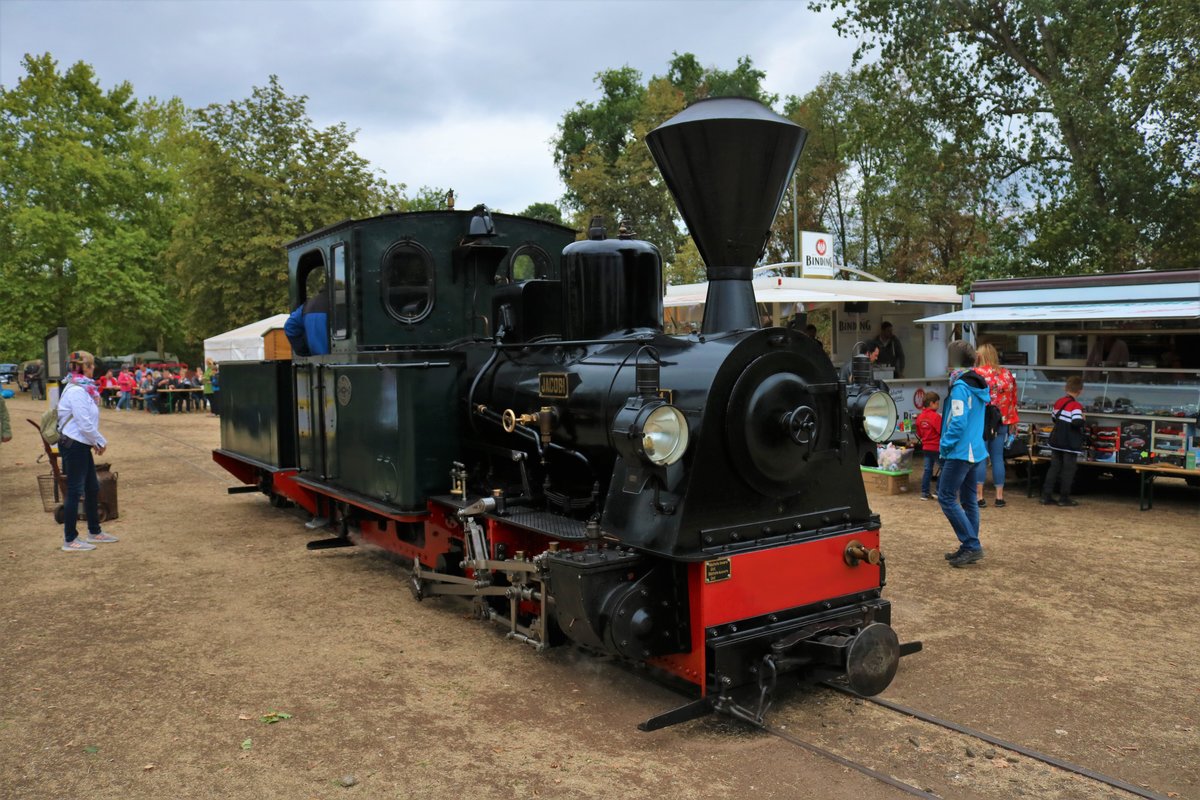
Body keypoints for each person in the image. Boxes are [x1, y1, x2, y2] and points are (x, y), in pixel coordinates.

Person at [57, 350, 119, 552]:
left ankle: (94, 530)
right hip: (75, 444)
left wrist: (92, 441)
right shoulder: (76, 390)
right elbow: (83, 422)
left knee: (92, 488)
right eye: (91, 366)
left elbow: (84, 422)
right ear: (85, 367)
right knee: (75, 491)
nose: (94, 369)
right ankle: (70, 539)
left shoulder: (81, 388)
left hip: (80, 443)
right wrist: (99, 440)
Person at [939, 340, 990, 567]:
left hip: (960, 451)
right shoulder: (977, 382)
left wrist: (945, 445)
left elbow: (958, 422)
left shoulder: (960, 386)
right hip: (975, 450)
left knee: (946, 497)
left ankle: (971, 545)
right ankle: (970, 545)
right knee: (969, 501)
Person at [972, 344, 1019, 508]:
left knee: (981, 457)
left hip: (981, 420)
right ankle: (999, 497)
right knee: (998, 458)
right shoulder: (1006, 374)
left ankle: (979, 497)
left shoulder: (976, 374)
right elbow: (1013, 398)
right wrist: (1013, 420)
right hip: (1002, 420)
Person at [1043, 375, 1086, 507]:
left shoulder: (1059, 402)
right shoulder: (1076, 406)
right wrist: (1084, 418)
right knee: (1068, 470)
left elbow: (1054, 418)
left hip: (1056, 440)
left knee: (1054, 467)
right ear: (1080, 391)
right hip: (1070, 442)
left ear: (1066, 388)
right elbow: (1077, 422)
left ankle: (1046, 496)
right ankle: (1064, 498)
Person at [284, 290, 331, 357]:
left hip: (317, 359)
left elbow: (289, 326)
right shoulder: (343, 301)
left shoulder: (306, 306)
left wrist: (304, 351)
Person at [915, 391, 942, 500]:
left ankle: (924, 493)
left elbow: (919, 433)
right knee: (944, 468)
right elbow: (941, 431)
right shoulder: (936, 417)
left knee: (927, 470)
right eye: (937, 403)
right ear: (931, 403)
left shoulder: (920, 417)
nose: (938, 405)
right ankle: (938, 491)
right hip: (936, 447)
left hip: (926, 447)